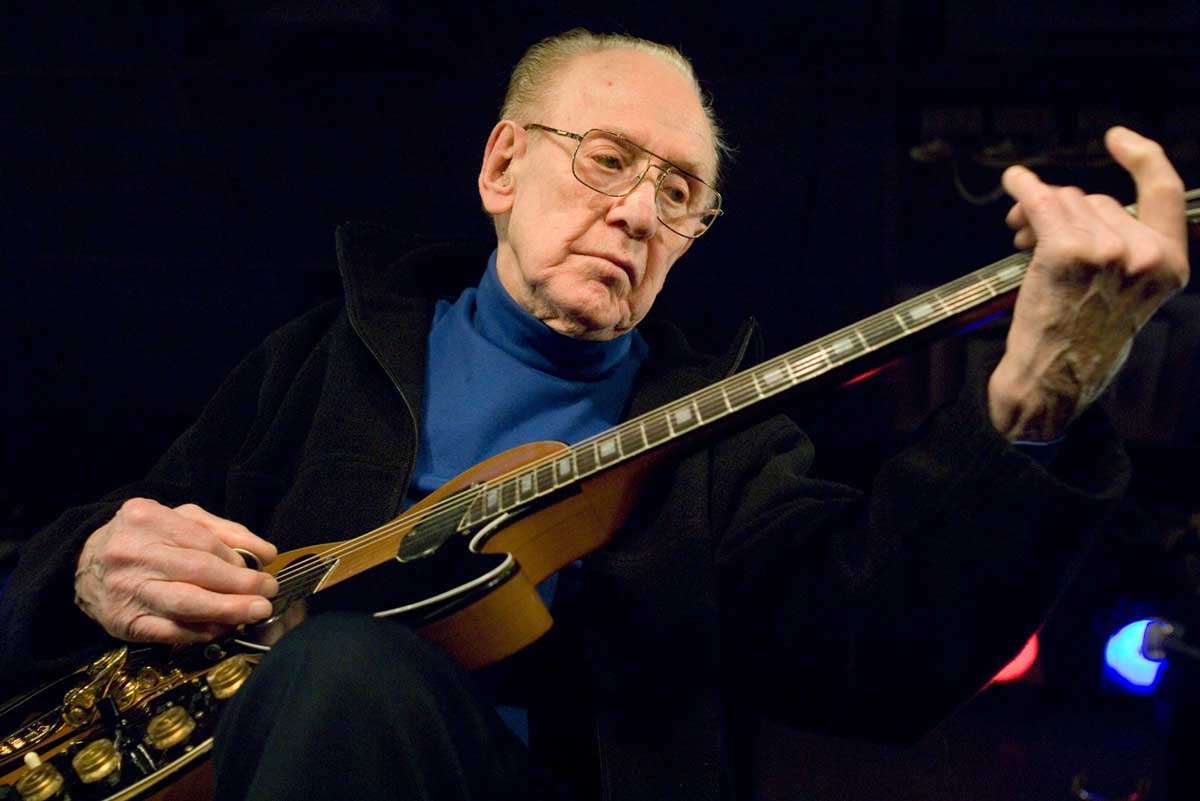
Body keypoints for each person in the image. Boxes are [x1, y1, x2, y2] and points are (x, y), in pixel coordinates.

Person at [0, 28, 1190, 801]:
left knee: (342, 672)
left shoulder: (725, 435)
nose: (636, 212)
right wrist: (85, 568)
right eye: (607, 160)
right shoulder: (319, 362)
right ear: (502, 168)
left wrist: (1039, 403)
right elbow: (84, 559)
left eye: (680, 194)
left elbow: (876, 656)